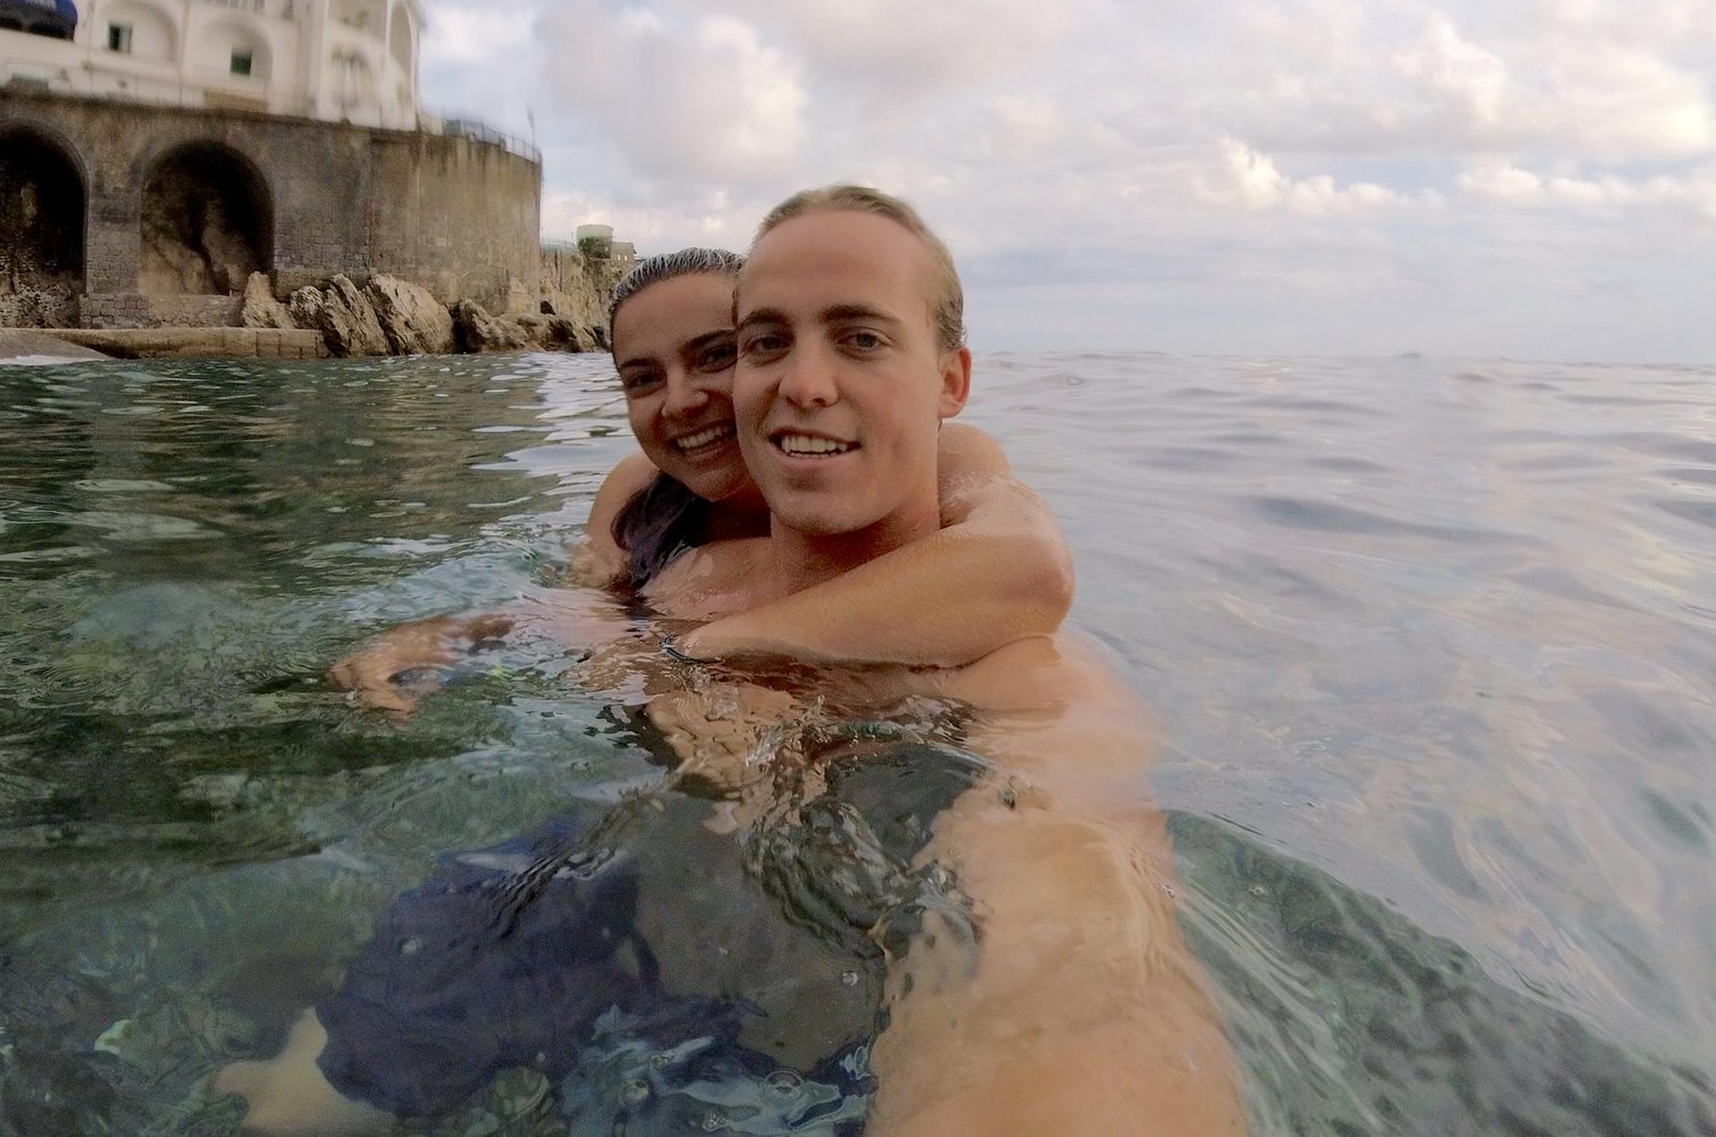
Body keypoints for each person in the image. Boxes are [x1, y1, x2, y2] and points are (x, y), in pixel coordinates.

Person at [630, 186, 1247, 1135]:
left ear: (951, 383)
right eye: (764, 342)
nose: (803, 383)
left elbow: (1069, 984)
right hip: (630, 949)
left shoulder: (1022, 691)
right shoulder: (693, 574)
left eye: (861, 339)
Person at [330, 246, 1073, 708]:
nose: (680, 402)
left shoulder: (937, 459)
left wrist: (709, 651)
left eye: (716, 355)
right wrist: (435, 640)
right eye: (643, 378)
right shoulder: (636, 491)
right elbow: (584, 611)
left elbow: (1025, 567)